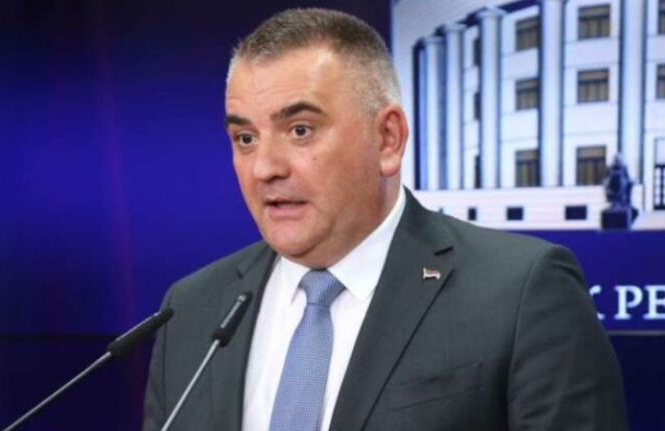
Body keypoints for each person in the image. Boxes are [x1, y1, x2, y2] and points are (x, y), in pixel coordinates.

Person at [143, 8, 628, 431]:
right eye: (245, 138)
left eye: (300, 130)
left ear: (388, 139)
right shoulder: (192, 309)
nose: (264, 167)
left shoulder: (521, 293)